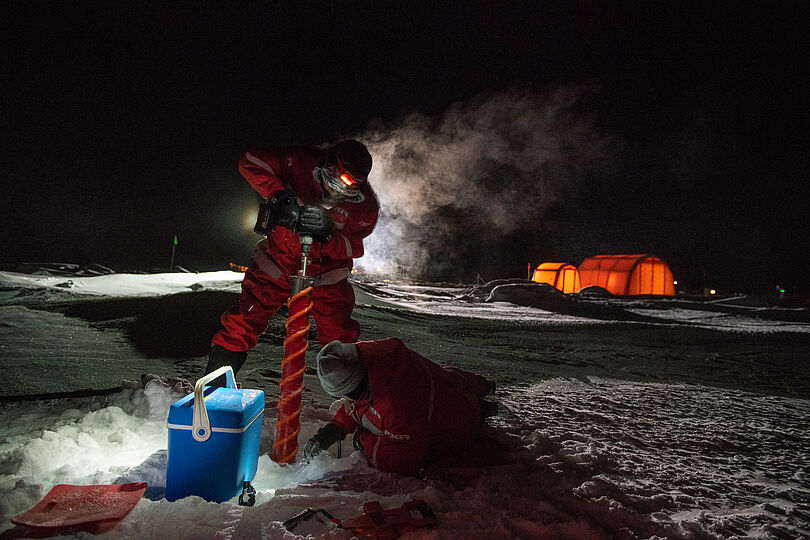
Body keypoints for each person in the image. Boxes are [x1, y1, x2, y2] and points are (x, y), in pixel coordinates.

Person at [205, 140, 379, 384]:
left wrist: (329, 235)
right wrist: (279, 195)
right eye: (330, 180)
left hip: (326, 272)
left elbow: (355, 246)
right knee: (243, 321)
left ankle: (352, 397)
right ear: (325, 163)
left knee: (339, 335)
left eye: (345, 189)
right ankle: (212, 389)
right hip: (277, 260)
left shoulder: (366, 208)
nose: (334, 190)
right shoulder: (299, 161)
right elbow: (249, 161)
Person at [303, 338, 498, 476]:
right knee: (453, 384)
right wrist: (336, 427)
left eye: (346, 395)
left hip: (457, 422)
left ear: (355, 389)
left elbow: (400, 462)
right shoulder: (371, 357)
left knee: (465, 409)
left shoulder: (398, 406)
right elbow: (357, 403)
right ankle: (482, 387)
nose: (345, 400)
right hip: (450, 382)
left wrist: (362, 441)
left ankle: (481, 409)